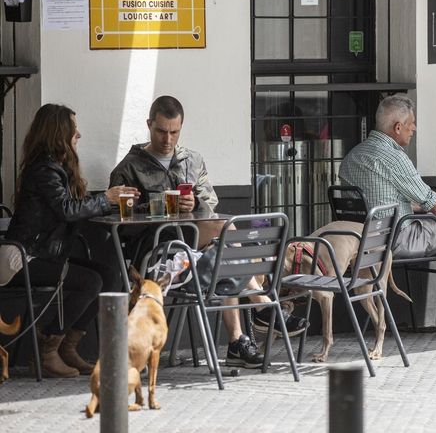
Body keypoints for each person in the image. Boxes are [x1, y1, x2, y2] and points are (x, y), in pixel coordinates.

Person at [110, 95, 306, 367]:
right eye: (161, 131)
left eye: (174, 132)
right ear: (149, 125)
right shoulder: (129, 168)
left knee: (224, 248)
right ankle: (261, 304)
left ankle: (237, 340)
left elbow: (210, 203)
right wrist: (156, 208)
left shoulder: (191, 160)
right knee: (224, 231)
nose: (168, 139)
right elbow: (121, 222)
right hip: (157, 251)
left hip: (198, 247)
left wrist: (196, 204)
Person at [2, 104, 139, 377]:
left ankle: (66, 346)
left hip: (44, 254)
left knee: (109, 276)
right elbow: (66, 209)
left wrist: (114, 204)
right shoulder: (44, 169)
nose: (78, 135)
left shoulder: (57, 167)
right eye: (73, 130)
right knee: (91, 281)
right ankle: (47, 350)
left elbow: (73, 206)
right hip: (22, 257)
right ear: (58, 133)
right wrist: (106, 199)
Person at [338, 94, 436, 336]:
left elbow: (380, 202)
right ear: (398, 127)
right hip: (395, 240)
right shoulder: (393, 158)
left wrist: (426, 209)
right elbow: (432, 203)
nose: (414, 128)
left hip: (363, 241)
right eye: (411, 123)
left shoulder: (352, 157)